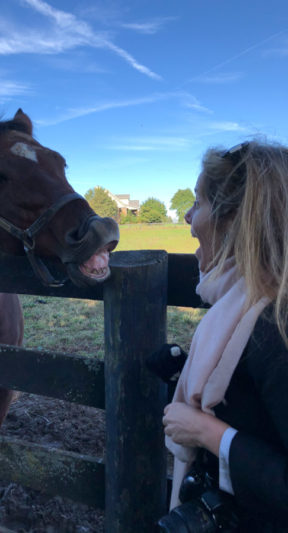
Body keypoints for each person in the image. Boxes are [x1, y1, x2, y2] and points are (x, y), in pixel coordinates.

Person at [149, 140, 288, 532]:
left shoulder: (276, 327)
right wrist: (183, 370)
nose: (189, 217)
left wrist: (210, 434)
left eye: (199, 202)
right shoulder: (245, 306)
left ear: (235, 221)